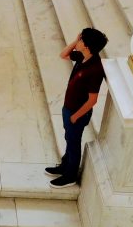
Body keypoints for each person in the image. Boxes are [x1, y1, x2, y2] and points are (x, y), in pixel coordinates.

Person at [46, 27, 108, 188]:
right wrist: (76, 40)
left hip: (77, 113)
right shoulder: (83, 57)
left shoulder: (95, 69)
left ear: (86, 46)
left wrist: (75, 116)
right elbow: (63, 55)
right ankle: (64, 165)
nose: (77, 41)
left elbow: (93, 100)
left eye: (81, 40)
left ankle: (70, 176)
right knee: (69, 139)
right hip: (69, 107)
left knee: (74, 143)